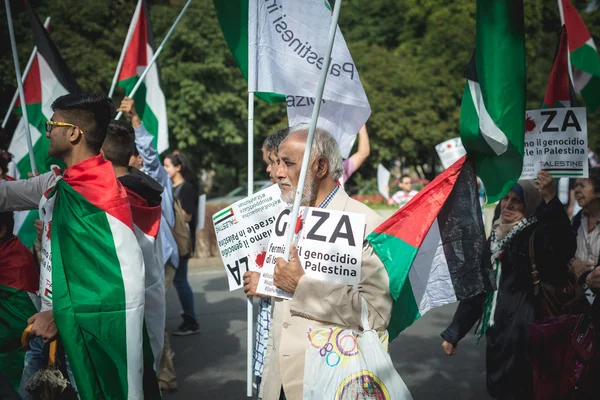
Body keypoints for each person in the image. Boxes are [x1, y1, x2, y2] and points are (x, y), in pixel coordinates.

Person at [0, 93, 156, 398]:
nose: (46, 132)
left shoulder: (104, 195)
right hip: (43, 330)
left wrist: (58, 315)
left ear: (73, 133)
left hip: (79, 333)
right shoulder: (56, 183)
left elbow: (114, 287)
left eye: (51, 124)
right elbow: (6, 195)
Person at [243, 124, 392, 400]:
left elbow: (375, 315)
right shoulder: (286, 217)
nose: (276, 172)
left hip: (331, 384)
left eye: (287, 163)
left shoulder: (364, 223)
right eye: (277, 162)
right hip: (278, 385)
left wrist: (302, 286)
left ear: (320, 167)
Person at [440, 171, 575, 399]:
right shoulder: (495, 237)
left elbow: (563, 245)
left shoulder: (537, 235)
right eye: (505, 198)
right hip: (499, 336)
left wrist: (551, 198)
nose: (508, 205)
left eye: (517, 200)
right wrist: (455, 332)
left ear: (530, 204)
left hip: (528, 337)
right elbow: (480, 289)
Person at [118, 96, 181, 392]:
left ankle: (163, 376)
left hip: (160, 260)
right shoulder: (114, 186)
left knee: (155, 317)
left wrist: (135, 118)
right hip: (140, 263)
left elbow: (151, 155)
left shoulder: (151, 179)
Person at [101, 119, 166, 370]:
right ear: (130, 154)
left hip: (118, 309)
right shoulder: (148, 192)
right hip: (150, 303)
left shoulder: (108, 202)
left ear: (100, 156)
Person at [254, 128, 290, 399]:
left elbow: (305, 281)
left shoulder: (312, 210)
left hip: (290, 350)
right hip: (267, 337)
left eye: (275, 161)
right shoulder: (273, 201)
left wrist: (264, 283)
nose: (271, 170)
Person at [0, 211, 39, 391]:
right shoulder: (8, 250)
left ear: (1, 230)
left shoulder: (15, 265)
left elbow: (18, 328)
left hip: (12, 368)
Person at [164, 152, 201, 335]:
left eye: (168, 166)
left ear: (178, 168)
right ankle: (188, 315)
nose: (165, 169)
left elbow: (187, 215)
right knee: (179, 280)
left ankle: (191, 320)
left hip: (181, 240)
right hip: (175, 240)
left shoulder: (186, 188)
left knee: (180, 280)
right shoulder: (172, 186)